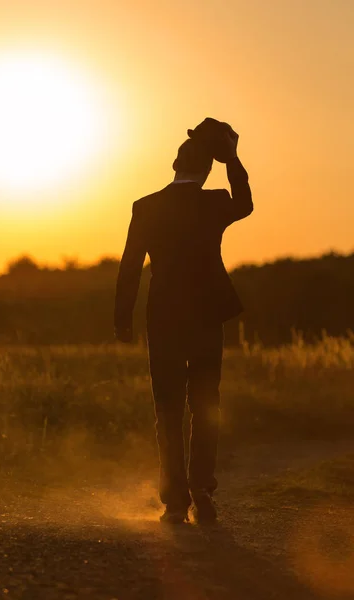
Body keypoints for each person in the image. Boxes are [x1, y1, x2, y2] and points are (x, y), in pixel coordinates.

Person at [114, 118, 253, 524]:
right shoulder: (214, 202)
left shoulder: (146, 206)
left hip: (163, 318)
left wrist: (123, 319)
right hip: (208, 316)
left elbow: (130, 268)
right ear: (207, 168)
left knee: (168, 408)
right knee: (207, 404)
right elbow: (245, 203)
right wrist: (234, 158)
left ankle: (175, 501)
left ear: (174, 165)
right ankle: (203, 493)